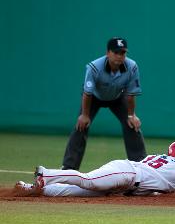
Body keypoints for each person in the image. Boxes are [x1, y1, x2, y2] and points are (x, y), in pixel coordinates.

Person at [15, 141, 175, 197]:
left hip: (126, 179)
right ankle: (46, 174)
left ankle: (34, 189)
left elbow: (156, 186)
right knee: (88, 181)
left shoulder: (164, 163)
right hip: (127, 172)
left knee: (79, 192)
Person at [61, 37, 147, 170]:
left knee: (132, 125)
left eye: (123, 53)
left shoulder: (132, 67)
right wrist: (84, 115)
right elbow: (87, 93)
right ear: (108, 53)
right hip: (94, 98)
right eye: (116, 52)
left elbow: (131, 94)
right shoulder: (94, 67)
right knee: (81, 126)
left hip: (118, 97)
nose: (119, 56)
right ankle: (68, 169)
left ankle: (142, 168)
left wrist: (131, 115)